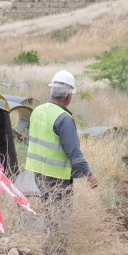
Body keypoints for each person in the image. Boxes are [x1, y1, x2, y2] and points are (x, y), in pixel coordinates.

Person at [26, 70, 98, 222]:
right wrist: (89, 174)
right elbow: (74, 153)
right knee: (60, 215)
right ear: (68, 95)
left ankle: (51, 242)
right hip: (57, 177)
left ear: (52, 91)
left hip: (38, 173)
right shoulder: (63, 118)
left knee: (49, 210)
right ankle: (57, 245)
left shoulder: (37, 111)